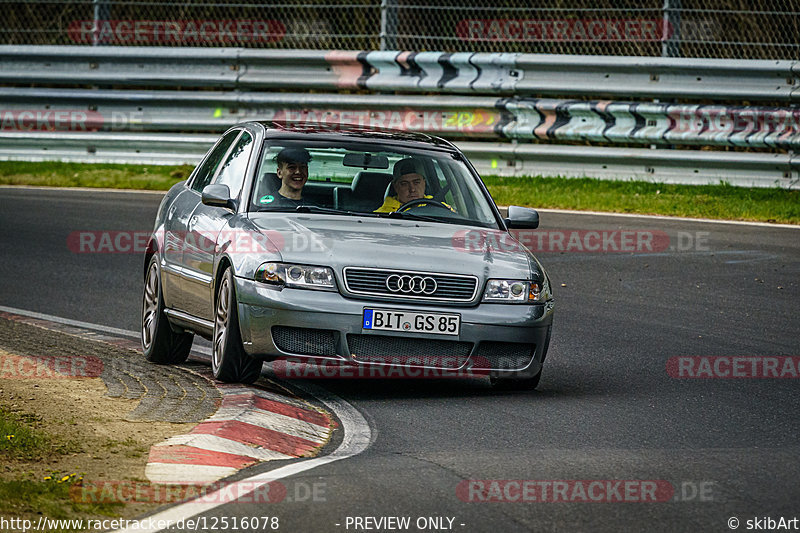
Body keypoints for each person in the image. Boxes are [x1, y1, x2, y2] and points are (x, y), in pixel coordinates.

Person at [375, 158, 452, 213]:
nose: (412, 189)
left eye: (416, 182)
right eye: (404, 184)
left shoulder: (441, 209)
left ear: (424, 183)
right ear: (396, 187)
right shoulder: (382, 215)